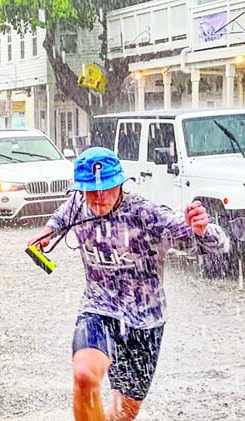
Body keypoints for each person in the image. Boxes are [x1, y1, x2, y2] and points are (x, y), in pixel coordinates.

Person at [26, 147, 229, 421]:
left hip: (145, 323)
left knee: (121, 416)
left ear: (121, 183)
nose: (98, 198)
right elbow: (63, 214)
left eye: (106, 189)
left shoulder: (146, 214)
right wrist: (49, 231)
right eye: (90, 191)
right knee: (84, 376)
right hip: (99, 309)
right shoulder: (78, 203)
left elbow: (218, 246)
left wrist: (204, 230)